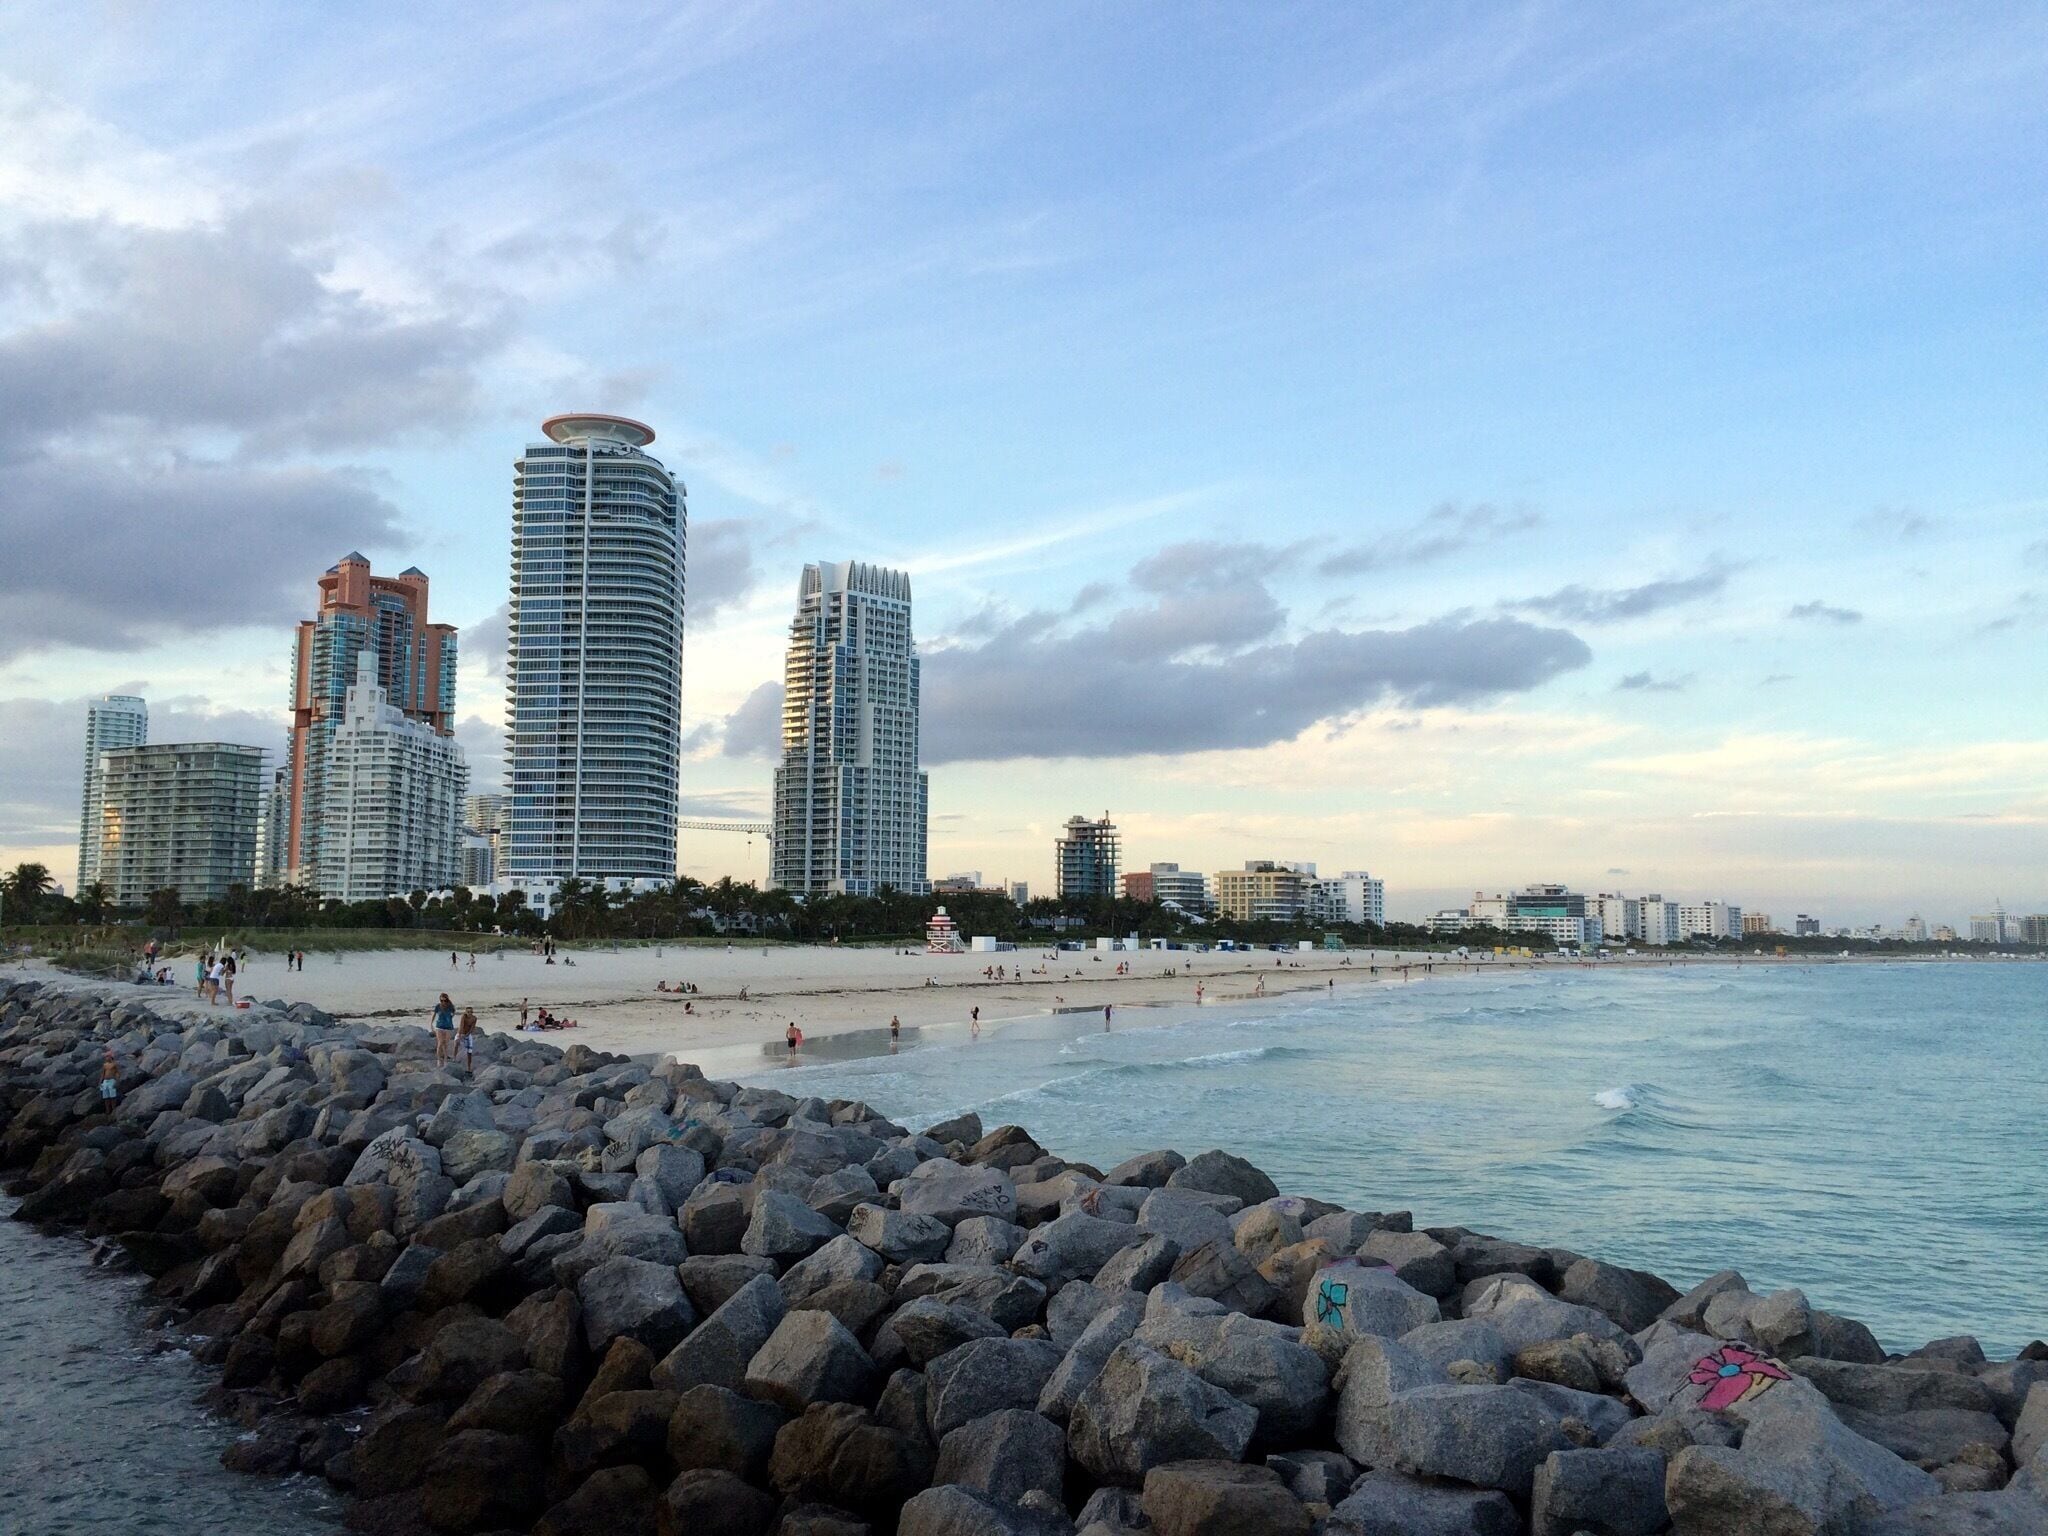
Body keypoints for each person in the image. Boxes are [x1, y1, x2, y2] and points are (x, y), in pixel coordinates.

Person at [432, 992, 456, 1063]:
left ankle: (445, 1057)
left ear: (447, 1000)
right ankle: (439, 1059)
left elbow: (453, 1013)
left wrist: (450, 1017)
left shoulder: (450, 1006)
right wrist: (431, 1024)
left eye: (444, 1000)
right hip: (439, 1026)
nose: (443, 1002)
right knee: (440, 1042)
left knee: (446, 1043)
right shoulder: (438, 1006)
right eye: (441, 1000)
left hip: (448, 1026)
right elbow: (434, 1014)